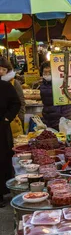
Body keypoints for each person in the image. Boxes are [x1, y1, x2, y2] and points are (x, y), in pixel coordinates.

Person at [0, 79, 22, 207]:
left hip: (1, 129)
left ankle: (1, 193)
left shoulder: (5, 86)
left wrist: (7, 118)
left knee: (2, 160)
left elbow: (16, 103)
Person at [39, 61, 71, 130]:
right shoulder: (43, 85)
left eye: (49, 72)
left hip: (62, 116)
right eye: (45, 72)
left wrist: (66, 118)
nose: (47, 74)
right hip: (48, 117)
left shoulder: (62, 83)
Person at [0, 56, 25, 136]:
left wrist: (20, 118)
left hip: (13, 122)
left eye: (4, 69)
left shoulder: (14, 83)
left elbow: (20, 102)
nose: (1, 72)